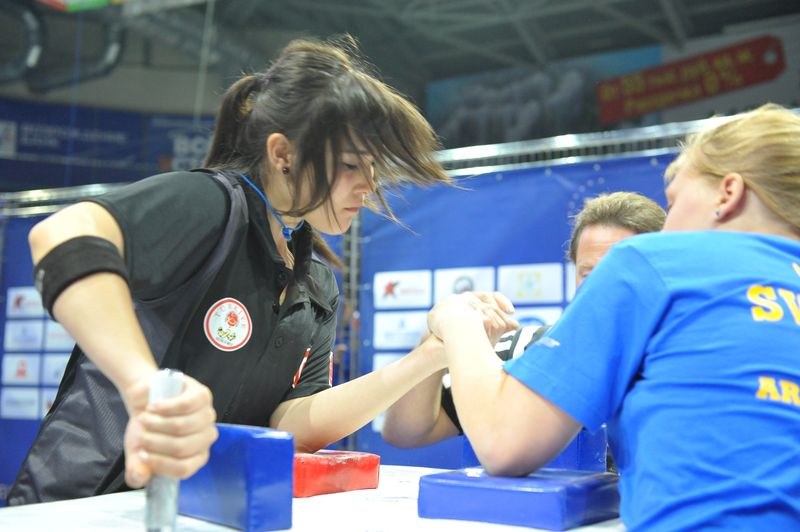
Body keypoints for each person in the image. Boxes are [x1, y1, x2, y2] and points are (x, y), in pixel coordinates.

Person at [8, 36, 466, 505]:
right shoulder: (211, 204)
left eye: (371, 167)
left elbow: (289, 423)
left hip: (204, 511)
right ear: (282, 154)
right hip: (83, 504)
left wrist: (425, 360)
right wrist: (144, 386)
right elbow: (61, 233)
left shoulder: (316, 284)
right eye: (351, 165)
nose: (368, 186)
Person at [426, 103, 800, 530]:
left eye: (674, 200)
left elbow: (503, 443)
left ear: (728, 193)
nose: (668, 223)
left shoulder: (653, 262)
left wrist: (457, 319)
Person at [381, 191, 665, 448]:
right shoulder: (526, 349)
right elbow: (405, 434)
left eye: (618, 272)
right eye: (587, 273)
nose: (600, 287)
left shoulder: (683, 357)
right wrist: (436, 340)